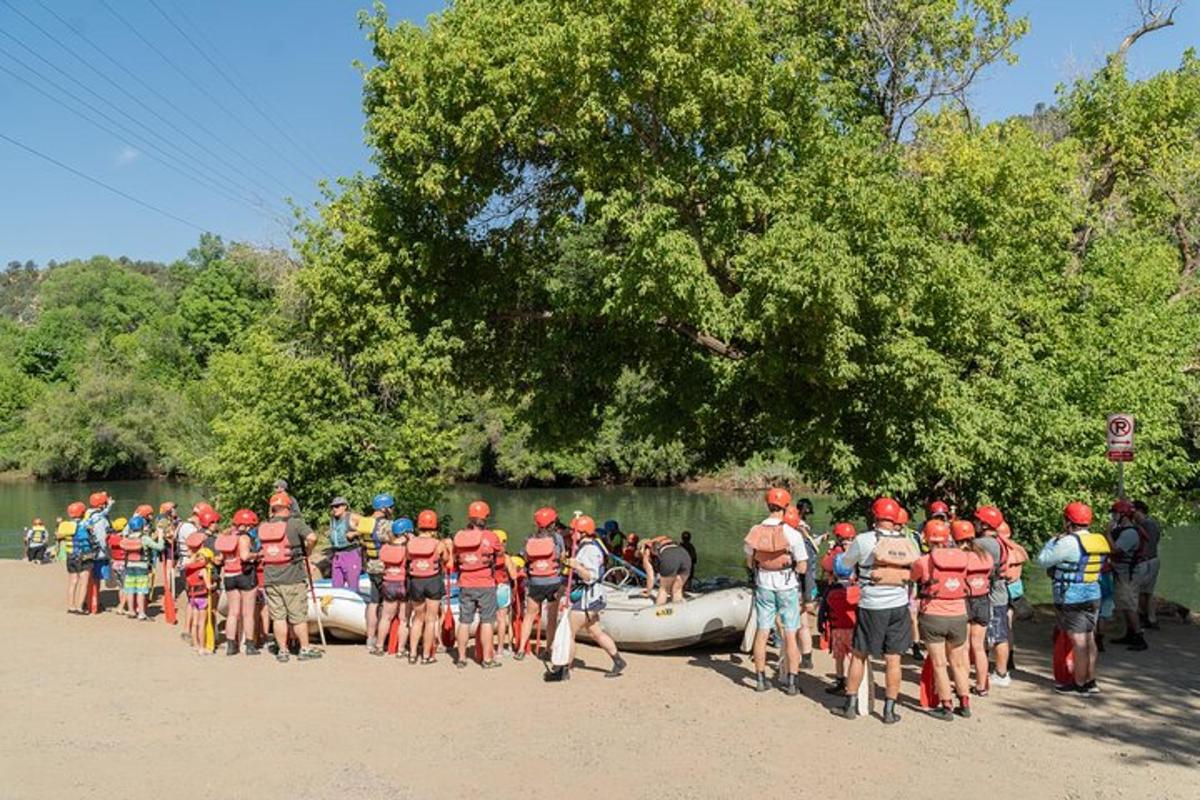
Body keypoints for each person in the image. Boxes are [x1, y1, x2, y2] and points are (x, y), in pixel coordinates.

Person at [835, 497, 918, 724]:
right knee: (893, 659)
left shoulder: (863, 540)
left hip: (871, 605)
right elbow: (917, 569)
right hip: (899, 606)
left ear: (875, 515)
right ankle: (889, 711)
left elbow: (844, 564)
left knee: (859, 654)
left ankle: (850, 704)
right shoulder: (908, 542)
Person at [1037, 502, 1109, 694]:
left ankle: (1079, 684)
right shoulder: (1099, 539)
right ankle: (1091, 681)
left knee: (1078, 641)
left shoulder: (1067, 542)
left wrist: (1052, 542)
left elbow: (1042, 561)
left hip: (1071, 595)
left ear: (1068, 521)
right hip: (1094, 593)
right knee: (1089, 638)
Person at [544, 515, 626, 681]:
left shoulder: (589, 550)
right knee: (595, 631)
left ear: (581, 532)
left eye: (574, 531)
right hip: (592, 597)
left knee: (568, 632)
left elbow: (590, 576)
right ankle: (618, 660)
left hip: (588, 597)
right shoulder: (589, 546)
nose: (571, 534)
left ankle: (564, 669)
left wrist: (577, 566)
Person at [743, 488, 808, 696]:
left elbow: (748, 561)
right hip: (787, 586)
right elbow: (803, 567)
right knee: (790, 633)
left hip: (764, 585)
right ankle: (791, 682)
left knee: (762, 631)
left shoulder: (755, 530)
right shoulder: (793, 533)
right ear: (787, 506)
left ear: (767, 505)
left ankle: (760, 679)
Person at [910, 519, 972, 720]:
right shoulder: (963, 557)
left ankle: (946, 706)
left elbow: (912, 578)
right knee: (959, 663)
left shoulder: (923, 560)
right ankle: (965, 703)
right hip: (959, 615)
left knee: (939, 663)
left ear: (927, 538)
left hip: (933, 615)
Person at [259, 491, 321, 662]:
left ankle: (283, 651)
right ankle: (305, 649)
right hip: (292, 577)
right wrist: (308, 550)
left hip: (271, 578)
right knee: (298, 616)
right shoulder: (295, 524)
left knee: (278, 617)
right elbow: (312, 537)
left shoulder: (264, 527)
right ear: (288, 506)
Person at [452, 500, 503, 669]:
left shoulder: (459, 536)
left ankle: (461, 658)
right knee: (487, 621)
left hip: (465, 583)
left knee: (464, 621)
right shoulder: (491, 536)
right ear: (486, 517)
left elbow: (454, 558)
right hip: (486, 583)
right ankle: (487, 659)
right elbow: (500, 554)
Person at [516, 506, 566, 660]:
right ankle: (549, 649)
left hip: (535, 582)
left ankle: (521, 649)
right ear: (553, 522)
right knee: (551, 618)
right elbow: (562, 557)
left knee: (529, 616)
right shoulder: (557, 538)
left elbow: (524, 558)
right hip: (554, 582)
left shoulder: (530, 538)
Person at [973, 506, 1013, 686]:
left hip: (992, 596)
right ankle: (1000, 671)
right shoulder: (998, 540)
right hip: (1000, 595)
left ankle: (1001, 674)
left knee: (997, 636)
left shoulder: (983, 543)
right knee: (999, 634)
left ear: (984, 524)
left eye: (977, 521)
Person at [954, 518, 994, 695]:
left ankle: (962, 684)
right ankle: (981, 685)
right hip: (983, 599)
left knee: (963, 646)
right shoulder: (985, 555)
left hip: (965, 600)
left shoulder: (958, 556)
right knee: (978, 646)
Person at [406, 509, 451, 664]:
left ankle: (412, 654)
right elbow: (445, 559)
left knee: (417, 619)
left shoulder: (411, 543)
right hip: (432, 581)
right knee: (431, 620)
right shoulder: (438, 544)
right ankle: (426, 656)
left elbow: (407, 558)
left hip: (416, 582)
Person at [819, 522, 859, 693]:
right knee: (854, 656)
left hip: (837, 626)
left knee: (839, 656)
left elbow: (826, 566)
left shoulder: (835, 553)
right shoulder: (858, 551)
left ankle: (840, 681)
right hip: (853, 623)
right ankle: (854, 681)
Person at [216, 509, 261, 655]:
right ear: (247, 525)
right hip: (244, 575)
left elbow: (220, 559)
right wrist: (258, 555)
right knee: (248, 613)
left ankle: (230, 646)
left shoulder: (226, 536)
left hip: (229, 576)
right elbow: (245, 556)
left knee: (233, 613)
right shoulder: (244, 538)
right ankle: (249, 645)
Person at [1107, 499, 1149, 651]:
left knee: (1129, 605)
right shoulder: (1124, 530)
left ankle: (1139, 636)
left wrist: (1107, 533)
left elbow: (1115, 550)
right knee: (1124, 605)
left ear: (1123, 515)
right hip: (1122, 572)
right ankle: (1130, 633)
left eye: (1115, 513)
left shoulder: (1130, 533)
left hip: (1128, 575)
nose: (1113, 516)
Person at [362, 493, 396, 654]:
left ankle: (370, 638)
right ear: (384, 508)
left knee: (373, 602)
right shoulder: (387, 525)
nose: (392, 510)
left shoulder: (365, 522)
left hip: (370, 565)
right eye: (391, 507)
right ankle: (383, 638)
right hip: (385, 568)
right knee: (386, 604)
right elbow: (395, 541)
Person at [787, 502, 818, 670]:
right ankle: (807, 657)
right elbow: (809, 571)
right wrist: (808, 596)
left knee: (790, 626)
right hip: (803, 587)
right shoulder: (806, 542)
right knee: (803, 624)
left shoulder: (788, 541)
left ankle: (792, 660)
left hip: (791, 588)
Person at [376, 517, 413, 659]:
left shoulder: (385, 547)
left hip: (388, 583)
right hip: (403, 584)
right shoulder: (408, 548)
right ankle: (401, 649)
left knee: (385, 617)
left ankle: (379, 646)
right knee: (404, 619)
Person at [121, 515, 164, 621]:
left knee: (130, 590)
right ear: (141, 526)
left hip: (129, 567)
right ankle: (141, 613)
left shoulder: (127, 538)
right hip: (142, 567)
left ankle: (131, 611)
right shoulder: (144, 538)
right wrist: (161, 536)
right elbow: (160, 547)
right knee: (141, 591)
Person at [1131, 500, 1161, 629]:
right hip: (1154, 559)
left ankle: (1139, 617)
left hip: (1144, 561)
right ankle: (1151, 618)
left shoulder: (1143, 525)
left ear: (1139, 511)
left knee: (1135, 591)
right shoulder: (1155, 523)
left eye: (1134, 511)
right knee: (1148, 592)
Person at [183, 529, 214, 654]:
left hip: (192, 598)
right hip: (202, 598)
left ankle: (195, 645)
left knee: (195, 623)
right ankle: (202, 647)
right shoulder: (204, 571)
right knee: (202, 623)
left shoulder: (191, 568)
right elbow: (208, 587)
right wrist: (214, 585)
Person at [638, 534, 692, 606]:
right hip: (685, 555)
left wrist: (648, 592)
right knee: (677, 589)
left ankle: (659, 613)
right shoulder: (659, 543)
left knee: (664, 589)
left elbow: (650, 576)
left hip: (669, 556)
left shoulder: (646, 551)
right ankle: (678, 612)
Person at [62, 501, 93, 613]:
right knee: (84, 581)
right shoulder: (84, 524)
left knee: (73, 581)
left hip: (71, 556)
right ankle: (80, 607)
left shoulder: (67, 525)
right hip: (84, 555)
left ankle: (71, 606)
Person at [107, 517, 129, 615]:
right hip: (123, 563)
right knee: (127, 586)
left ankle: (122, 604)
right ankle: (121, 606)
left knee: (121, 587)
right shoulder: (123, 539)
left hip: (115, 564)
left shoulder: (111, 538)